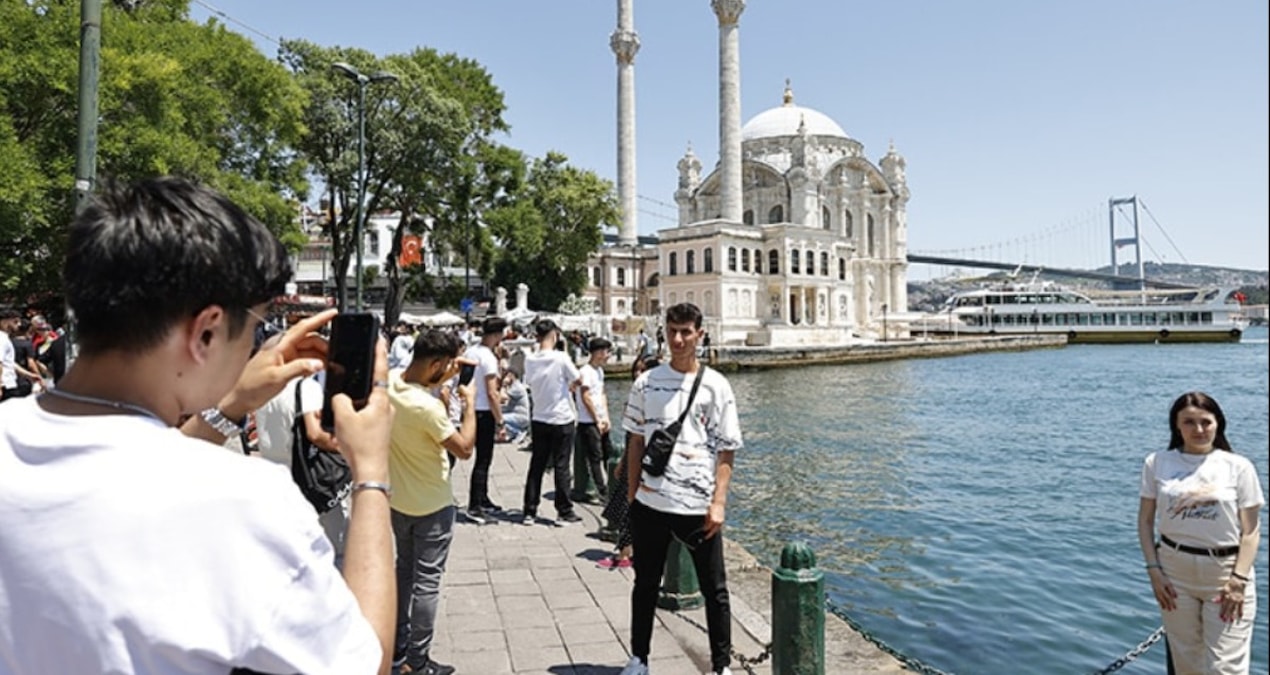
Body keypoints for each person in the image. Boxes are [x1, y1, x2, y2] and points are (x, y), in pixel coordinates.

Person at [0, 177, 396, 674]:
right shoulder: (243, 502)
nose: (255, 346)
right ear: (207, 329)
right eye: (254, 327)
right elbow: (366, 663)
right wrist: (372, 473)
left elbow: (132, 474)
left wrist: (230, 405)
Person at [620, 303, 742, 675]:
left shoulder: (717, 385)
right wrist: (631, 496)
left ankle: (721, 666)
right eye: (672, 331)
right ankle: (639, 658)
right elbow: (636, 442)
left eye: (686, 331)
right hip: (651, 504)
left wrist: (719, 502)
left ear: (699, 335)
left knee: (715, 591)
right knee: (644, 585)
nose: (678, 339)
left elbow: (726, 448)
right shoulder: (646, 382)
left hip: (696, 506)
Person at [1137, 391, 1264, 675]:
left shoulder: (1238, 467)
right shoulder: (1157, 463)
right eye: (1189, 422)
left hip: (1225, 573)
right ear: (1176, 426)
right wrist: (1154, 570)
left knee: (1225, 668)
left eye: (1205, 421)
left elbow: (1251, 531)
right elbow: (1145, 521)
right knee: (1187, 664)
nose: (1198, 429)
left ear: (1218, 423)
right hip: (1173, 571)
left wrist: (1238, 580)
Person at [387, 329, 476, 675]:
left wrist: (446, 374)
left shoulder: (393, 381)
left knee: (404, 573)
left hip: (400, 500)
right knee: (427, 583)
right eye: (448, 364)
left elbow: (423, 383)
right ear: (436, 363)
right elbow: (464, 449)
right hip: (433, 506)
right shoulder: (427, 408)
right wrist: (468, 403)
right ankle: (417, 661)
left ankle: (397, 648)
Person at [252, 372, 350, 566]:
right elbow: (315, 433)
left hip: (275, 473)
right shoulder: (306, 387)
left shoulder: (265, 385)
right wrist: (348, 448)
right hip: (311, 477)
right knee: (334, 548)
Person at [597, 354, 660, 570]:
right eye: (635, 370)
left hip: (644, 464)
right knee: (626, 509)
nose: (637, 374)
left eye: (642, 370)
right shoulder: (636, 398)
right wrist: (623, 462)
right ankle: (627, 552)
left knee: (628, 510)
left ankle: (625, 554)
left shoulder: (654, 401)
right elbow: (630, 438)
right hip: (631, 461)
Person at [519, 318, 583, 525]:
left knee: (537, 464)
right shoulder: (561, 357)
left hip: (539, 417)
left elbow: (529, 382)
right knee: (562, 465)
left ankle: (529, 510)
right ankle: (563, 510)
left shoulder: (530, 359)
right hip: (561, 417)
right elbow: (578, 379)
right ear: (554, 335)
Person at [462, 317, 507, 521]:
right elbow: (492, 392)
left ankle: (483, 497)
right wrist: (500, 420)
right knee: (483, 459)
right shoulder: (488, 358)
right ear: (497, 335)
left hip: (470, 409)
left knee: (482, 458)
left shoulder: (471, 351)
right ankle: (475, 504)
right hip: (484, 411)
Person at [574, 336, 613, 501]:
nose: (608, 355)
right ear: (597, 353)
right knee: (595, 457)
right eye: (606, 351)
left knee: (607, 453)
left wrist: (606, 417)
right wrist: (596, 419)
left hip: (600, 419)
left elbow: (602, 394)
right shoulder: (585, 372)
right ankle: (601, 491)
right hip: (588, 421)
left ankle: (606, 486)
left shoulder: (599, 371)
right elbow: (586, 396)